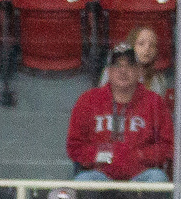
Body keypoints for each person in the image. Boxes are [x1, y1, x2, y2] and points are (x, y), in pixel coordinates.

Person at [67, 43, 171, 182]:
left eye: (129, 65)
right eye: (117, 65)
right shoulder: (88, 100)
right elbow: (75, 146)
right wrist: (104, 156)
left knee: (157, 178)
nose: (123, 71)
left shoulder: (154, 102)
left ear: (139, 71)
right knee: (84, 180)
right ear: (108, 71)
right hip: (100, 174)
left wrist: (138, 155)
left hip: (141, 175)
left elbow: (167, 146)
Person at [98, 25, 166, 97]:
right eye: (141, 44)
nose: (147, 49)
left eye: (152, 45)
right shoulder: (112, 72)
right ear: (131, 46)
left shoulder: (158, 80)